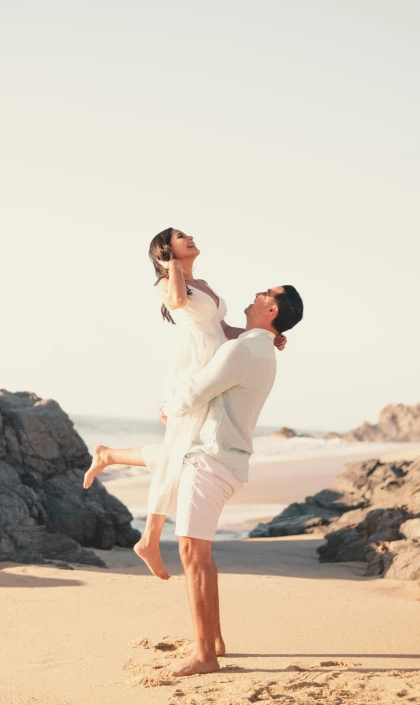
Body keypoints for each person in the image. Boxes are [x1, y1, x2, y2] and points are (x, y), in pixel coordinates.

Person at [82, 227, 286, 580]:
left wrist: (266, 334)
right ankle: (149, 537)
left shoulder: (203, 282)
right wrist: (172, 266)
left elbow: (222, 328)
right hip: (193, 365)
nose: (190, 236)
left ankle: (109, 457)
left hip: (216, 359)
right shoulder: (169, 283)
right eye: (180, 236)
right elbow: (176, 303)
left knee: (182, 447)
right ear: (167, 249)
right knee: (179, 447)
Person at [158, 283, 304, 677]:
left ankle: (205, 656)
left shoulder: (245, 350)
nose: (257, 292)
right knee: (200, 554)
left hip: (211, 461)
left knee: (193, 555)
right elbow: (216, 327)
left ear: (272, 309)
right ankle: (215, 641)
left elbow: (199, 390)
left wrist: (168, 407)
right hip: (226, 460)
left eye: (265, 292)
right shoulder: (261, 348)